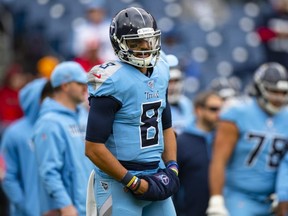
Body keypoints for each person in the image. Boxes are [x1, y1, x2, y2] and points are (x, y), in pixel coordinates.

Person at [85, 7, 179, 216]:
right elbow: (93, 148)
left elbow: (166, 126)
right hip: (119, 182)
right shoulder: (112, 79)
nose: (145, 48)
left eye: (149, 41)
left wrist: (172, 166)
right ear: (120, 44)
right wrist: (132, 181)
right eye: (136, 43)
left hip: (155, 174)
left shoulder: (161, 70)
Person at [206, 62, 288, 216]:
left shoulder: (286, 117)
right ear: (259, 88)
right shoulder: (237, 113)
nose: (279, 97)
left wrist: (284, 194)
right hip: (241, 197)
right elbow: (219, 160)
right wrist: (216, 199)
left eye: (283, 92)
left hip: (275, 199)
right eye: (273, 91)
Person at [32, 61, 93, 216]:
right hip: (69, 209)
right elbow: (49, 171)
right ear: (65, 86)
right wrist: (65, 205)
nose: (85, 88)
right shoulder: (49, 122)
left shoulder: (83, 115)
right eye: (80, 83)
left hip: (89, 205)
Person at [0, 78, 53, 216]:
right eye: (45, 96)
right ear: (33, 99)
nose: (50, 100)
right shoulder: (15, 132)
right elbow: (7, 175)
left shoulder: (57, 127)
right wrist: (26, 206)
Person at [173, 91, 223, 216]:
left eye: (221, 109)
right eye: (213, 109)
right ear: (199, 111)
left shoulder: (223, 140)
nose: (219, 114)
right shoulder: (181, 142)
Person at [166, 54, 193, 135]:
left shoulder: (186, 103)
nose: (172, 87)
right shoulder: (156, 106)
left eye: (176, 81)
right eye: (169, 81)